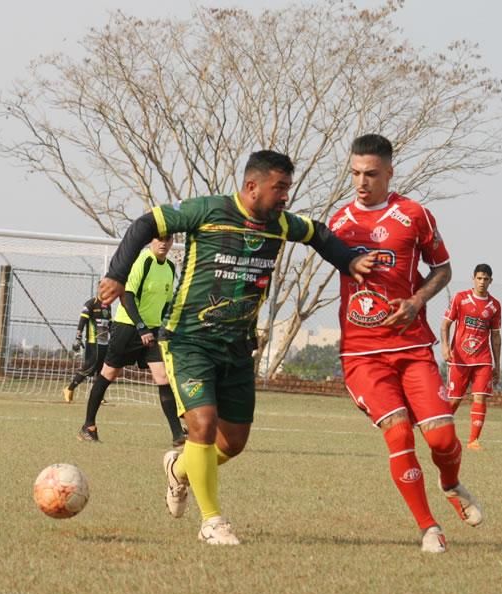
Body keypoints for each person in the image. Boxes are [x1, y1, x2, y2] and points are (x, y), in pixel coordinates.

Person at [97, 150, 375, 546]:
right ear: (251, 186)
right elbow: (147, 223)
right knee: (203, 426)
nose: (285, 198)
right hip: (188, 341)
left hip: (238, 348)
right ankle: (212, 521)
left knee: (233, 443)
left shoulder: (281, 225)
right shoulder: (207, 211)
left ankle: (179, 470)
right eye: (279, 189)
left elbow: (319, 234)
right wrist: (117, 275)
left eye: (287, 189)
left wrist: (349, 262)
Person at [328, 134, 483, 554]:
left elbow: (445, 269)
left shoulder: (414, 215)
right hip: (361, 354)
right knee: (399, 436)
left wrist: (417, 300)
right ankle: (429, 528)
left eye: (371, 174)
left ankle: (449, 483)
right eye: (356, 173)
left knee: (442, 441)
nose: (361, 182)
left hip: (413, 348)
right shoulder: (338, 222)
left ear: (390, 172)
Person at [78, 235, 187, 447]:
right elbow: (126, 296)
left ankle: (177, 435)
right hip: (127, 328)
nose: (163, 243)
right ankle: (88, 426)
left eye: (168, 239)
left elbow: (166, 304)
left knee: (163, 377)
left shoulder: (171, 268)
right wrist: (140, 326)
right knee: (109, 374)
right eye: (159, 239)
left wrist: (166, 327)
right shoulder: (142, 261)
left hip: (152, 331)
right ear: (151, 241)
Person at [440, 264, 502, 451]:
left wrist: (497, 364)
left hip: (483, 359)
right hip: (459, 357)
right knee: (454, 400)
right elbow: (445, 325)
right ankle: (438, 433)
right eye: (479, 278)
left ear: (491, 281)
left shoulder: (494, 306)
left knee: (480, 397)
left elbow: (496, 336)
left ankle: (473, 440)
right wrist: (444, 346)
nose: (482, 282)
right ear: (473, 278)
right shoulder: (460, 298)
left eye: (486, 279)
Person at [62, 296, 112, 403]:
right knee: (89, 367)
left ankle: (98, 396)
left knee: (102, 370)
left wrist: (114, 337)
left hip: (105, 343)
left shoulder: (108, 305)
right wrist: (78, 338)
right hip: (93, 342)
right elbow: (82, 321)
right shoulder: (90, 304)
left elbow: (110, 324)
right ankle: (69, 388)